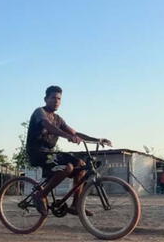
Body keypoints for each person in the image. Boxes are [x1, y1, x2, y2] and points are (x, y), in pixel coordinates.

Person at [26, 85, 111, 216]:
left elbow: (75, 133)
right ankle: (40, 195)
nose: (56, 101)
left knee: (81, 165)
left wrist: (97, 140)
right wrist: (68, 137)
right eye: (53, 98)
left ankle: (76, 205)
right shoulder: (40, 112)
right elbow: (48, 126)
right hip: (38, 153)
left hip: (50, 154)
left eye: (59, 98)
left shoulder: (58, 119)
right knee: (67, 167)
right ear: (45, 99)